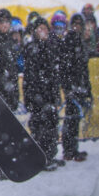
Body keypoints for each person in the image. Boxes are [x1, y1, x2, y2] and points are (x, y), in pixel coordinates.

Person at [23, 17, 63, 170]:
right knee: (40, 129)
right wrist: (35, 97)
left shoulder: (50, 46)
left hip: (49, 95)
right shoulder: (32, 48)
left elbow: (53, 73)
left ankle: (50, 155)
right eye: (40, 28)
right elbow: (30, 76)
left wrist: (55, 95)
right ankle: (41, 158)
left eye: (45, 28)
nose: (43, 31)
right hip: (38, 97)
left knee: (52, 127)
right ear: (34, 31)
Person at [60, 14, 91, 163]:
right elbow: (65, 67)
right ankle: (69, 150)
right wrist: (68, 87)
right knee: (71, 119)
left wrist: (87, 88)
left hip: (79, 84)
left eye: (80, 24)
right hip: (72, 85)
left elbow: (84, 68)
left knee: (75, 119)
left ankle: (73, 148)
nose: (77, 26)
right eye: (75, 23)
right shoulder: (69, 40)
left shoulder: (80, 41)